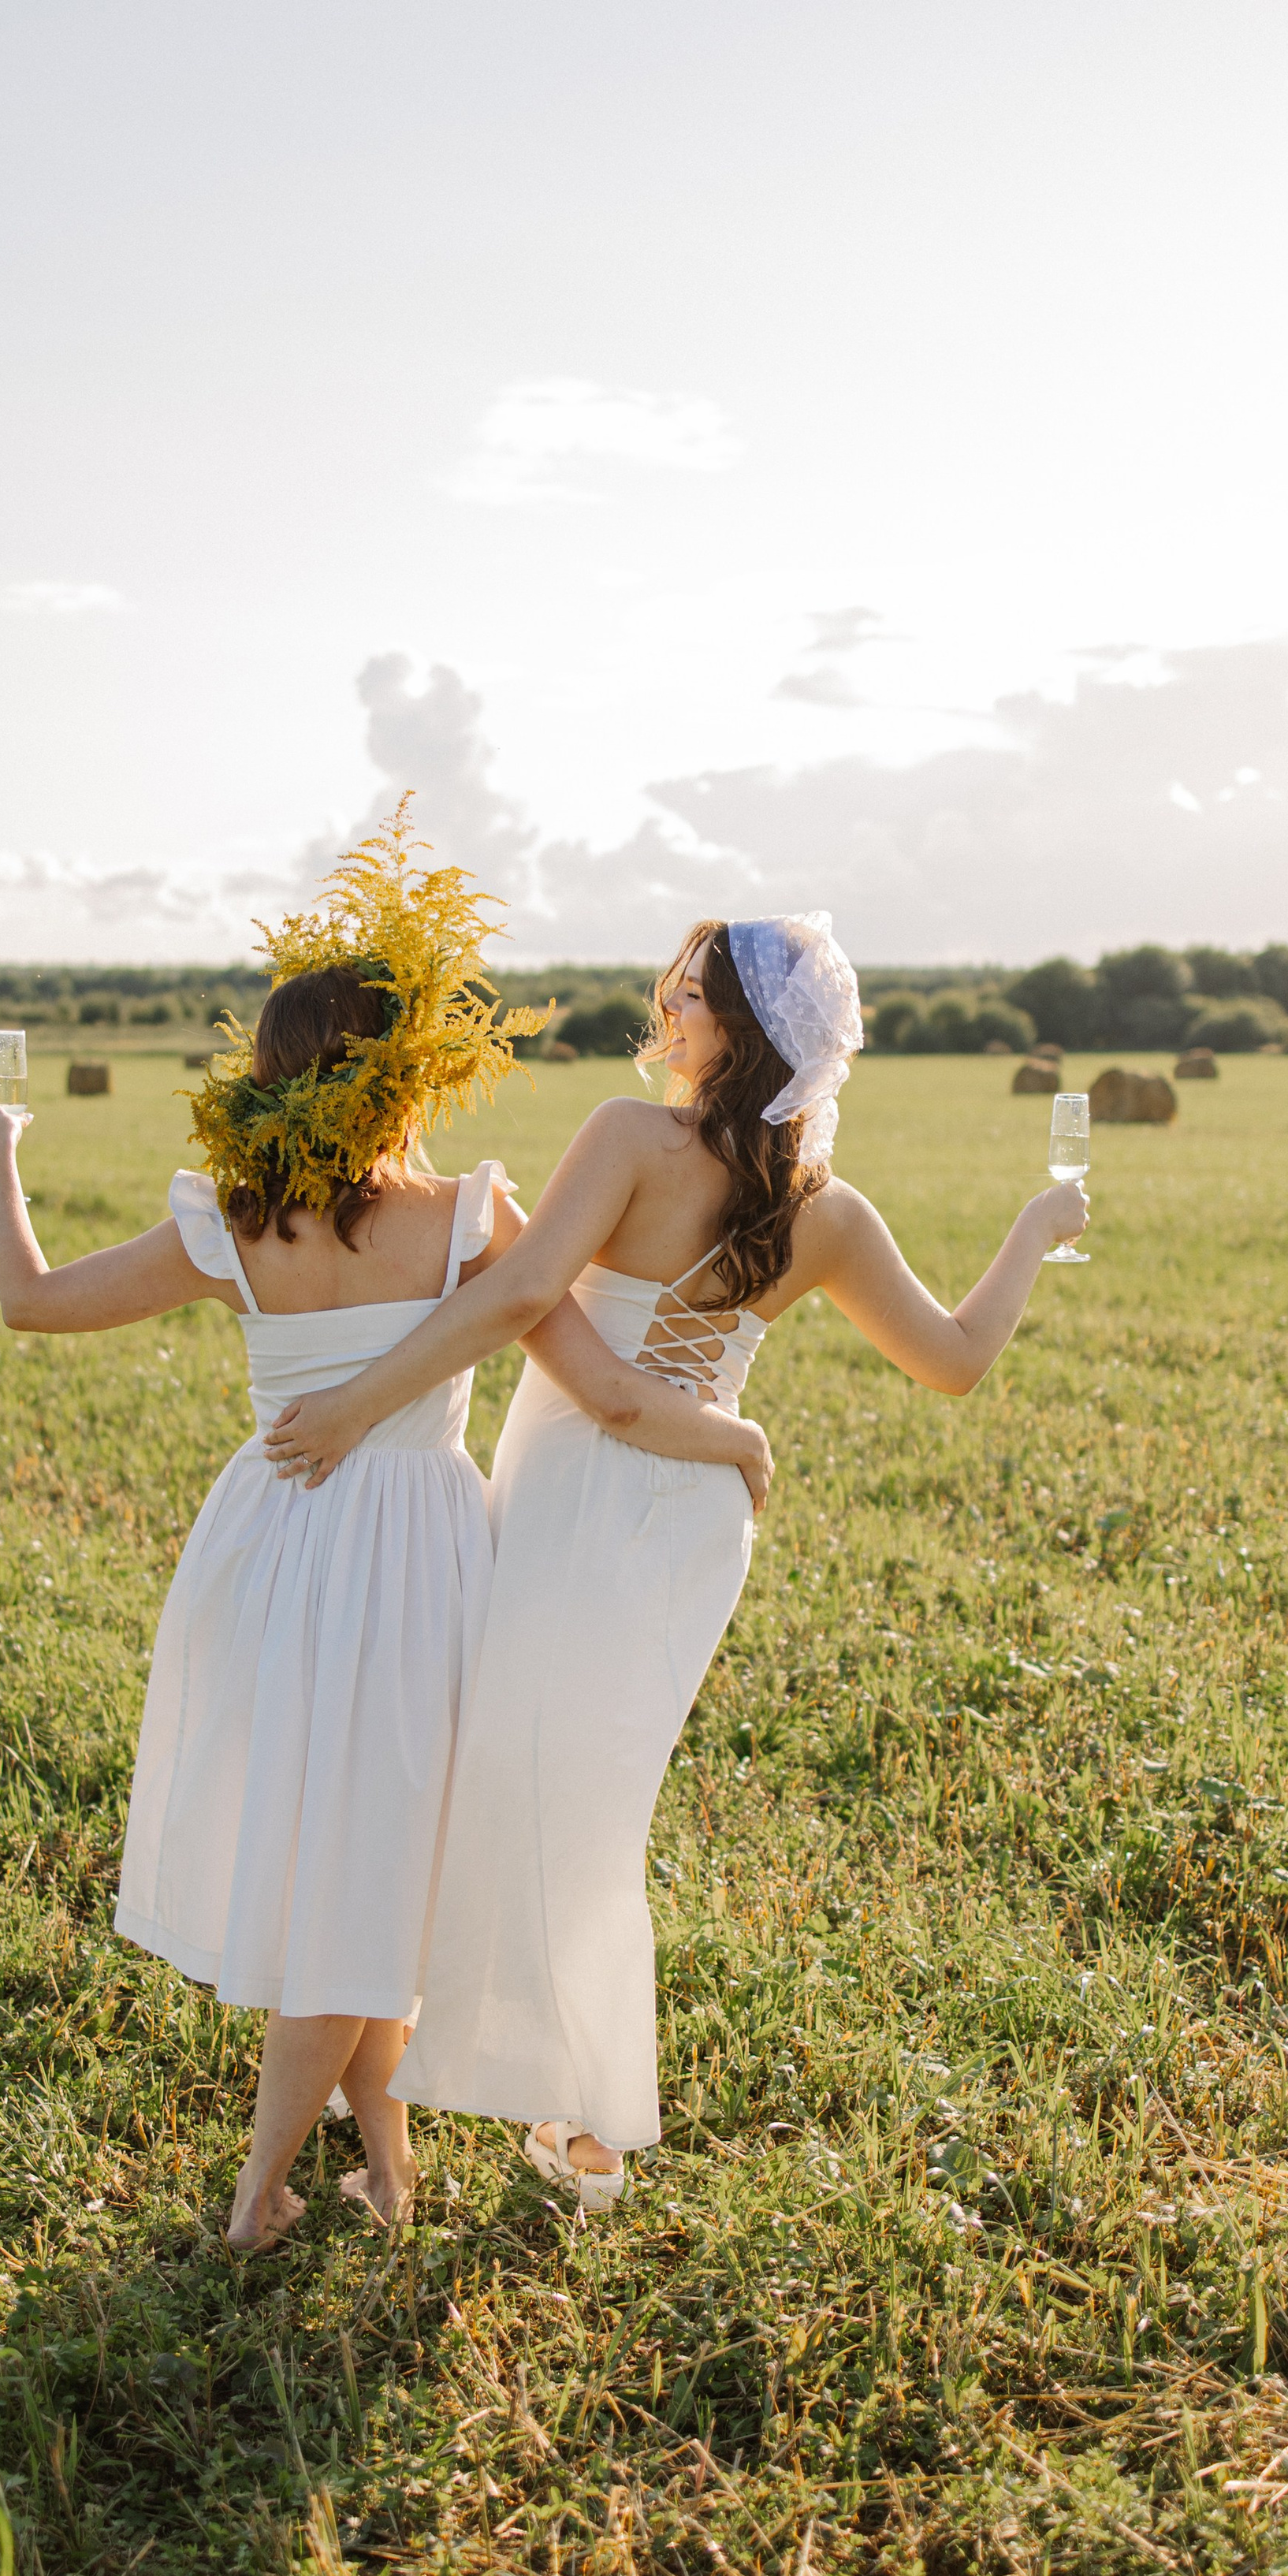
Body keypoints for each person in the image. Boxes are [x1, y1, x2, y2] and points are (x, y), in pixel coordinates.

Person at [0, 823, 770, 2251]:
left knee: (354, 1864)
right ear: (403, 1071)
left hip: (269, 1549)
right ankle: (260, 2188)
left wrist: (1, 1157)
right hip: (415, 1559)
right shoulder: (471, 1219)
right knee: (370, 1873)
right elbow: (597, 1385)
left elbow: (29, 1301)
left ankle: (384, 2168)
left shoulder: (228, 1221)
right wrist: (729, 1432)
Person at [262, 912, 1091, 2206]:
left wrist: (361, 1401)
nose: (669, 1001)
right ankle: (565, 2121)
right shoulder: (824, 1210)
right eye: (678, 981)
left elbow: (515, 1293)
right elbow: (960, 1356)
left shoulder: (630, 1139)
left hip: (581, 1486)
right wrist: (1030, 1234)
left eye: (695, 993)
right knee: (591, 1809)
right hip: (699, 1512)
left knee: (527, 1787)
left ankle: (556, 2114)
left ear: (752, 1035)